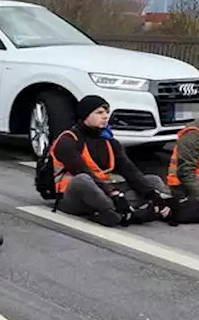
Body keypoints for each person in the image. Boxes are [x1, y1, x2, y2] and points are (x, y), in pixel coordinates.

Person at [51, 95, 172, 227]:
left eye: (107, 112)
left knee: (153, 181)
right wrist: (114, 194)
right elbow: (83, 171)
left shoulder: (109, 142)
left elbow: (130, 171)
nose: (105, 116)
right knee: (82, 179)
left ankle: (143, 209)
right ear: (85, 115)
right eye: (99, 113)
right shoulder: (68, 140)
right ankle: (124, 212)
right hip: (72, 196)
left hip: (103, 192)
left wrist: (152, 194)